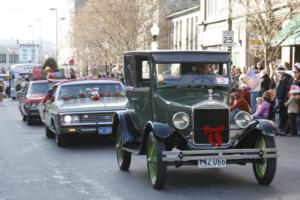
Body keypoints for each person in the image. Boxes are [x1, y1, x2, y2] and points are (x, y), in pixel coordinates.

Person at [276, 66, 293, 134]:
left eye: (278, 73)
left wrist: (284, 99)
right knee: (282, 115)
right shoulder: (283, 78)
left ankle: (283, 129)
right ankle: (283, 128)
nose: (277, 74)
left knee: (283, 115)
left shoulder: (285, 78)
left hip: (283, 100)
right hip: (281, 99)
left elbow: (285, 90)